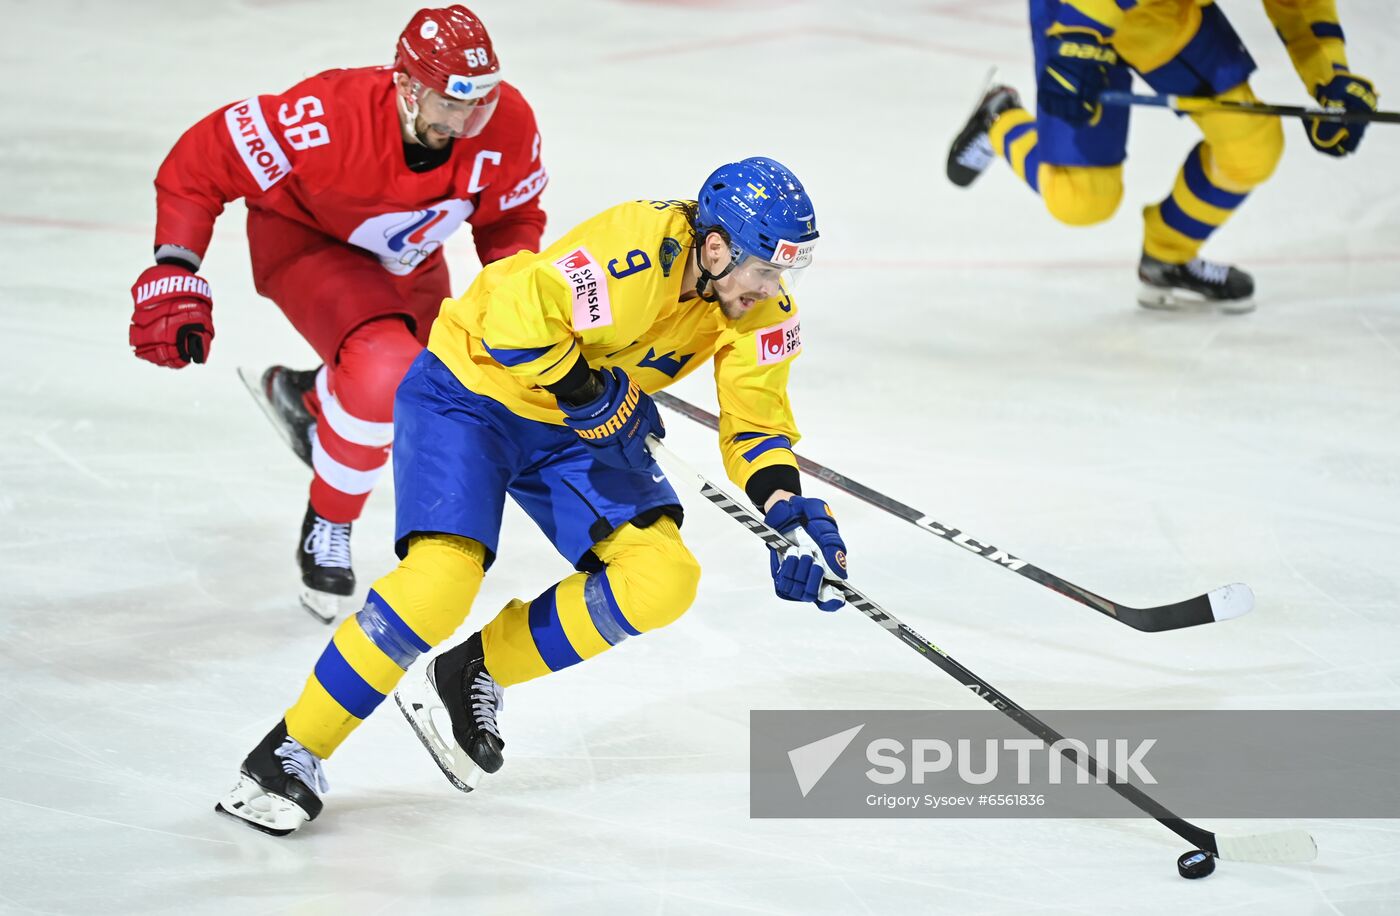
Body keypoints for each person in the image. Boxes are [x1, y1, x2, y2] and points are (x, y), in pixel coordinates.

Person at [214, 157, 851, 836]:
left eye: (785, 272)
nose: (774, 287)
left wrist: (787, 513)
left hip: (574, 425)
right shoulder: (634, 249)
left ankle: (473, 673)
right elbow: (515, 325)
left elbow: (755, 424)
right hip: (473, 392)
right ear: (717, 249)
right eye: (764, 268)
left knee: (663, 578)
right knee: (440, 585)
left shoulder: (760, 307)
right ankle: (288, 752)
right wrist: (587, 391)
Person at [128, 5, 549, 621]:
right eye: (450, 104)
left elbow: (511, 217)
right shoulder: (326, 115)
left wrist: (514, 292)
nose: (465, 122)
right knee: (385, 371)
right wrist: (175, 264)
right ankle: (330, 517)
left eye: (478, 104)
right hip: (309, 245)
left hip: (407, 261)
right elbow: (203, 159)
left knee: (438, 383)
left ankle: (313, 401)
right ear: (406, 85)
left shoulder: (506, 122)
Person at [945, 0, 1378, 313]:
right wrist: (1076, 37)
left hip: (1163, 13)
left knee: (1252, 146)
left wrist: (1331, 79)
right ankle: (1000, 118)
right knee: (1082, 202)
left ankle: (1167, 258)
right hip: (1079, 12)